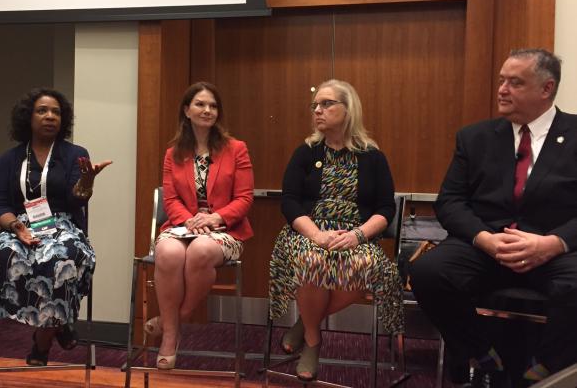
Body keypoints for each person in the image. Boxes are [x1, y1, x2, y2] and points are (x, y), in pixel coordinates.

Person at [410, 48, 577, 386]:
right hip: (488, 246)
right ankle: (480, 355)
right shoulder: (475, 138)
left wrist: (554, 243)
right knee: (428, 271)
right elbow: (450, 202)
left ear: (546, 89)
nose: (502, 89)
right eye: (502, 80)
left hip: (552, 248)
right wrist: (483, 238)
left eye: (515, 82)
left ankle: (548, 367)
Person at [269, 79, 404, 381]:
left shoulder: (373, 156)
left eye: (327, 104)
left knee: (366, 266)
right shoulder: (305, 152)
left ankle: (305, 323)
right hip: (307, 232)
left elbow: (385, 208)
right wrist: (316, 234)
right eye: (315, 105)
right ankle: (314, 343)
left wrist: (358, 235)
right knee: (312, 261)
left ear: (348, 108)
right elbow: (289, 202)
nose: (318, 110)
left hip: (355, 234)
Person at [0, 88, 111, 366]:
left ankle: (41, 342)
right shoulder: (9, 159)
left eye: (56, 112)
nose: (50, 116)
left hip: (63, 225)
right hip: (21, 225)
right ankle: (60, 325)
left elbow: (78, 199)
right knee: (0, 255)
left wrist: (88, 181)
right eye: (42, 111)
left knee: (61, 258)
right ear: (28, 117)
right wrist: (16, 228)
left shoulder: (75, 154)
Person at [143, 81, 254, 370]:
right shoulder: (173, 154)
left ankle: (172, 327)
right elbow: (171, 198)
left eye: (213, 105)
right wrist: (190, 220)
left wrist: (215, 218)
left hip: (224, 230)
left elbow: (244, 198)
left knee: (200, 251)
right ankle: (172, 332)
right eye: (200, 104)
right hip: (183, 226)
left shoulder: (236, 149)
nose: (207, 110)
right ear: (186, 110)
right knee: (168, 253)